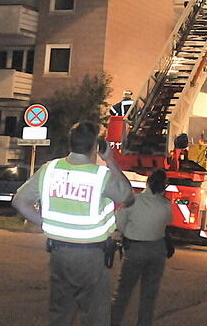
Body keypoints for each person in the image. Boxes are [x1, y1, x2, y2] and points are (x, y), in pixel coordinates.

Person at [13, 121, 132, 326]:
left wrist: (46, 223)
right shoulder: (100, 175)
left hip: (59, 254)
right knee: (95, 314)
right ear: (95, 146)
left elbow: (19, 202)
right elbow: (128, 196)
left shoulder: (50, 169)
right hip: (91, 257)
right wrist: (110, 160)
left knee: (60, 314)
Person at [111, 169, 172, 326]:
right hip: (157, 250)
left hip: (135, 249)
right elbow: (166, 223)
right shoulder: (166, 205)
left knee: (122, 294)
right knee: (148, 297)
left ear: (148, 181)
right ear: (164, 187)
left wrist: (128, 233)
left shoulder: (133, 201)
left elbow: (119, 219)